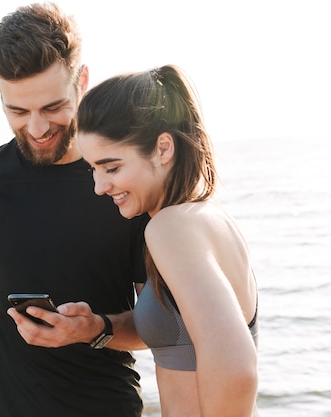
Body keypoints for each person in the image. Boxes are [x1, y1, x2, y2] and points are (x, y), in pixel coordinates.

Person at [0, 3, 150, 416]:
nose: (37, 128)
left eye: (53, 107)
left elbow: (156, 326)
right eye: (18, 111)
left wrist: (95, 329)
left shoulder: (125, 182)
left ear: (82, 82)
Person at [76, 65, 260, 416]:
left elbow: (237, 368)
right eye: (93, 169)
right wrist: (93, 328)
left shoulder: (169, 228)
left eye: (111, 168)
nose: (99, 187)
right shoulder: (207, 217)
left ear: (162, 148)